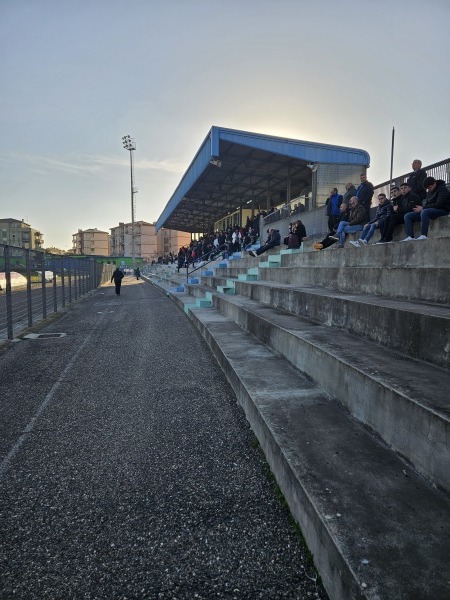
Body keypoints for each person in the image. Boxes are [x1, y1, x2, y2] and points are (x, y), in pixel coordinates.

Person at [401, 176, 450, 241]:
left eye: (429, 187)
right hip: (430, 211)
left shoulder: (443, 189)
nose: (429, 189)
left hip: (442, 210)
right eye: (427, 188)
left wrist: (423, 208)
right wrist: (419, 209)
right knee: (408, 215)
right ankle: (410, 236)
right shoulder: (429, 192)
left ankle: (424, 235)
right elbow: (427, 204)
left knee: (425, 211)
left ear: (434, 183)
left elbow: (439, 204)